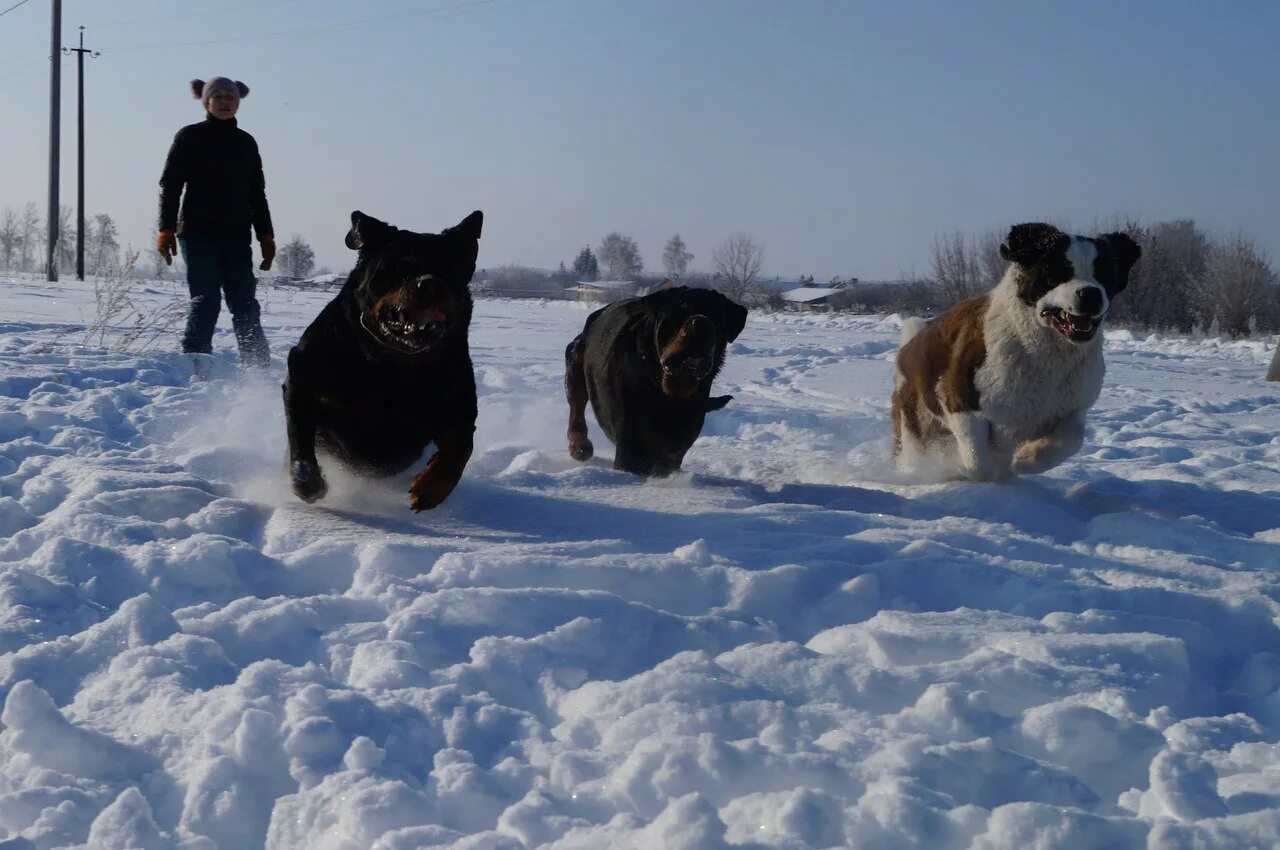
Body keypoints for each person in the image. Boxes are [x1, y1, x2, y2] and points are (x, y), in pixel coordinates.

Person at [157, 77, 276, 367]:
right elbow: (170, 184)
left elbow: (256, 192)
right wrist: (166, 229)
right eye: (218, 96)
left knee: (245, 305)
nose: (225, 102)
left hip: (236, 235)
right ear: (206, 101)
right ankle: (196, 364)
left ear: (238, 102)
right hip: (197, 234)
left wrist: (266, 236)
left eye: (230, 97)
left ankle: (257, 367)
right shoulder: (189, 136)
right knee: (206, 302)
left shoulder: (246, 142)